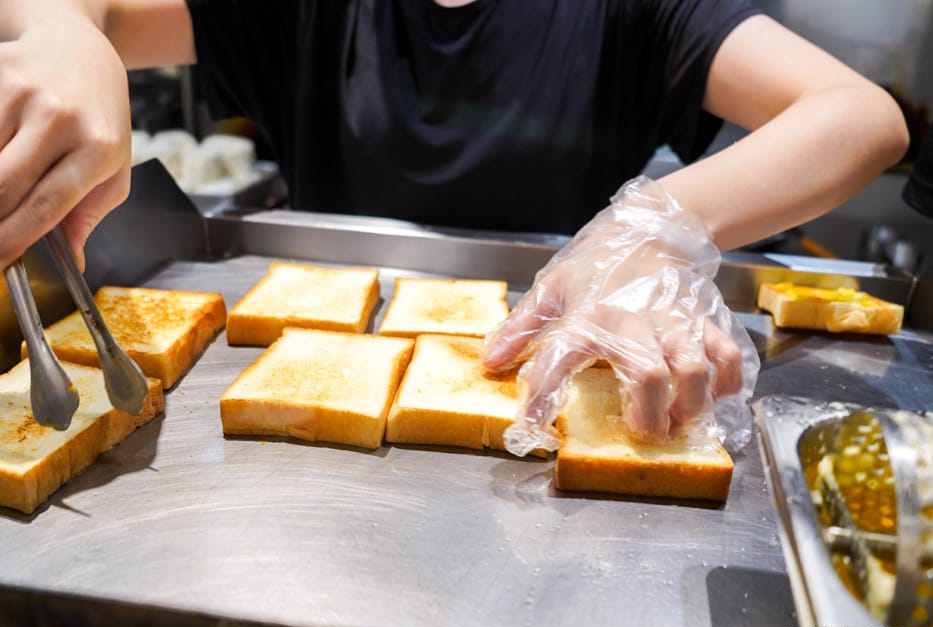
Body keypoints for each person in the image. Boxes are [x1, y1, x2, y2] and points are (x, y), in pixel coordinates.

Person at [0, 1, 908, 452]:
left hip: (568, 336)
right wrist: (65, 25)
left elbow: (858, 115)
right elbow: (85, 11)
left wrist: (653, 223)